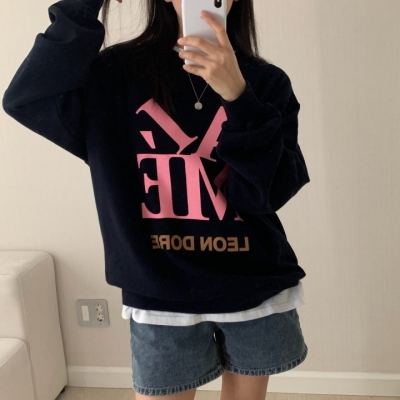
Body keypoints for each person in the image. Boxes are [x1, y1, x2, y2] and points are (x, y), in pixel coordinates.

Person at [2, 0, 311, 399]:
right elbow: (27, 98)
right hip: (157, 289)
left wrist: (239, 98)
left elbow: (266, 196)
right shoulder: (114, 75)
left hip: (255, 285)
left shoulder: (266, 83)